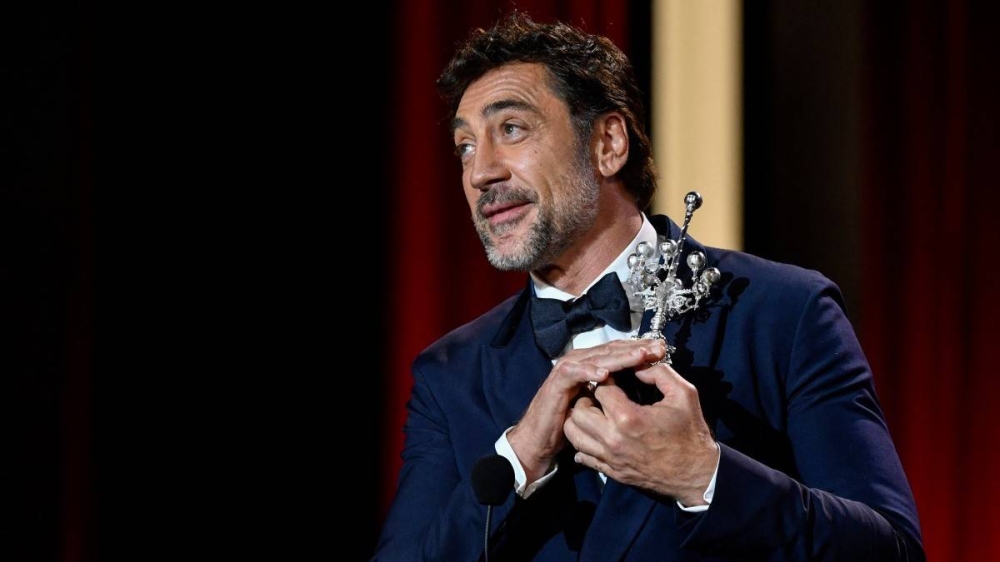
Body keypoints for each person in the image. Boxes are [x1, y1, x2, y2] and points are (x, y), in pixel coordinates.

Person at [373, 12, 923, 562]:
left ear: (608, 144)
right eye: (465, 146)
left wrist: (703, 476)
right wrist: (518, 458)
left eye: (511, 129)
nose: (480, 173)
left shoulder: (784, 313)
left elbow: (891, 550)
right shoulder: (450, 376)